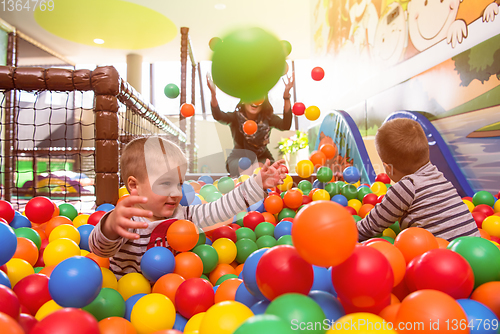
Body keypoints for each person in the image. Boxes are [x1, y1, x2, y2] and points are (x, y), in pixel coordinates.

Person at [89, 136, 287, 279]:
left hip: (174, 291)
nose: (176, 193)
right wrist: (111, 225)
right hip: (127, 296)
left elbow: (221, 209)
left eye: (179, 184)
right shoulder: (129, 219)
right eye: (165, 184)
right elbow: (100, 249)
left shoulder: (183, 215)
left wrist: (257, 184)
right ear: (134, 186)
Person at [357, 118, 480, 242]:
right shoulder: (439, 177)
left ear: (389, 169)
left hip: (444, 256)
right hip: (477, 249)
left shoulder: (406, 187)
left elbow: (369, 227)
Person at [207, 73, 294, 177]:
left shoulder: (267, 118)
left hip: (262, 156)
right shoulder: (236, 116)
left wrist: (286, 96)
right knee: (245, 167)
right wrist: (213, 94)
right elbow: (218, 116)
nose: (254, 102)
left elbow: (285, 125)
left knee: (261, 168)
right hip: (239, 157)